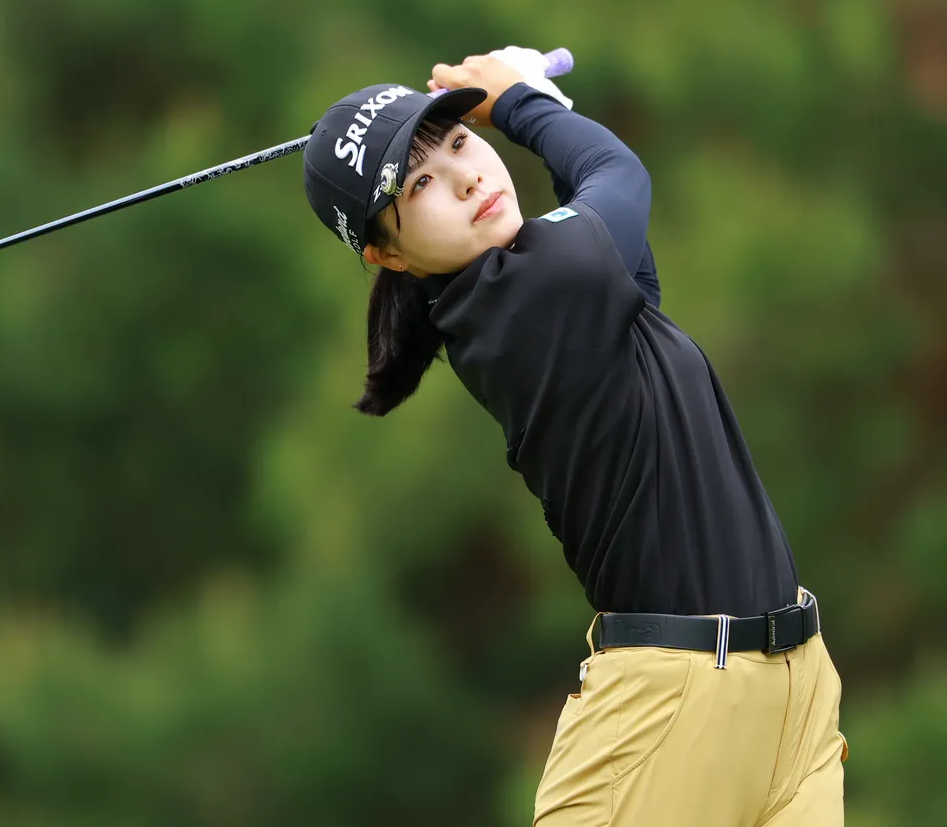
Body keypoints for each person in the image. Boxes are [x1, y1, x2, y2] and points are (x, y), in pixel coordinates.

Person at [301, 47, 849, 825]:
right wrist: (519, 101)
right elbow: (617, 174)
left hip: (793, 695)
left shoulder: (557, 281)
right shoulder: (513, 302)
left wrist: (538, 101)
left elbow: (605, 221)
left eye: (459, 141)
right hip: (665, 713)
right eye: (417, 184)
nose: (465, 179)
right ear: (387, 254)